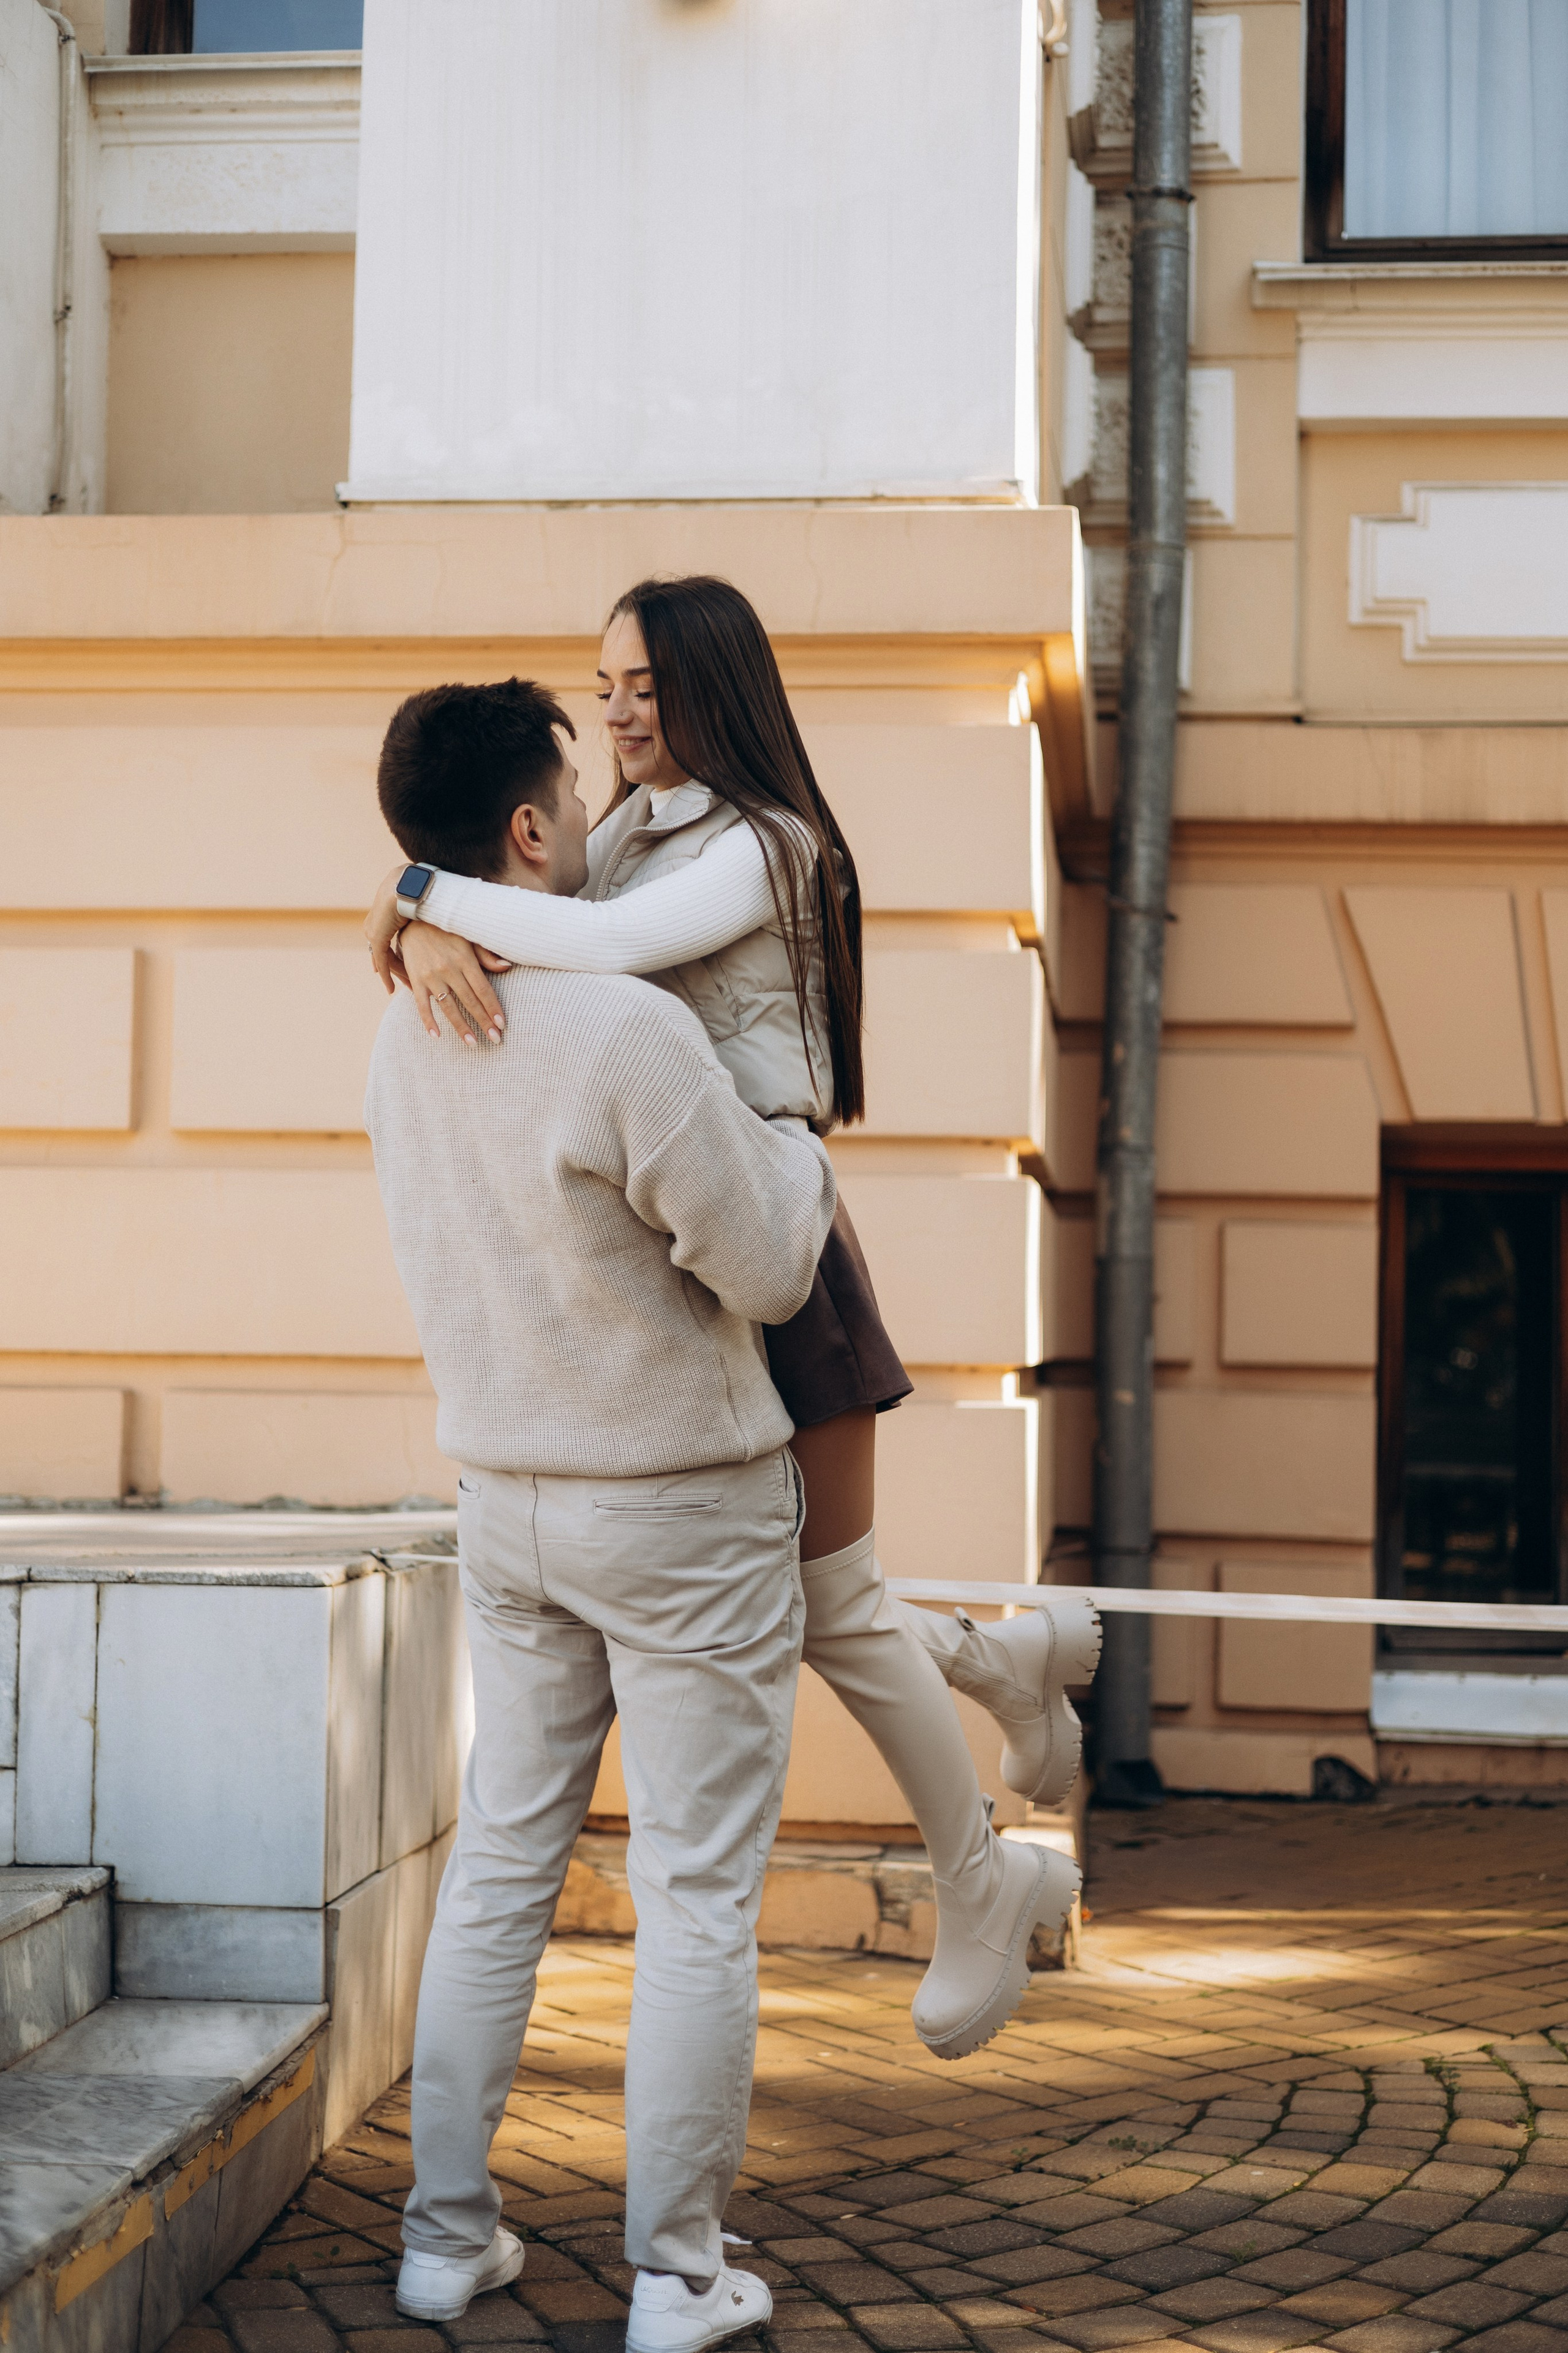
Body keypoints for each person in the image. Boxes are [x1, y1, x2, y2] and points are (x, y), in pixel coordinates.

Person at [366, 576, 1098, 2061]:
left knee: (830, 1601)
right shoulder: (625, 825)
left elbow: (602, 955)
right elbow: (538, 897)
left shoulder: (768, 844)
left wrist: (417, 902)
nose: (620, 712)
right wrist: (414, 911)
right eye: (604, 685)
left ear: (715, 686)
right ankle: (1003, 1669)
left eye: (645, 684)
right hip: (681, 1245)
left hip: (778, 1236)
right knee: (829, 1602)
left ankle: (980, 1882)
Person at [365, 677, 837, 2346]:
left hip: (508, 1501)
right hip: (685, 1510)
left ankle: (441, 2239)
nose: (588, 825)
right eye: (570, 798)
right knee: (699, 1894)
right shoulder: (629, 1031)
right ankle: (679, 2275)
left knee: (502, 1865)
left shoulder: (399, 1028)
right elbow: (772, 1261)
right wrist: (795, 1133)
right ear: (523, 832)